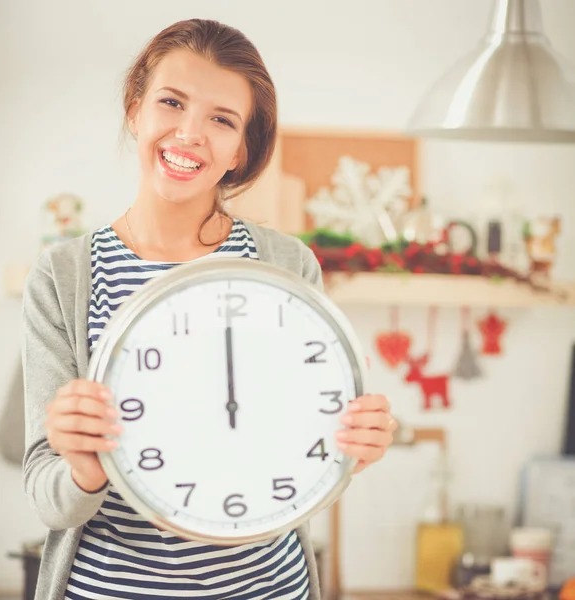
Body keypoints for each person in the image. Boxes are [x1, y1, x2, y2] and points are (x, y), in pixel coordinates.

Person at [22, 18, 398, 600]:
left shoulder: (287, 266)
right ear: (135, 110)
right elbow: (47, 494)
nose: (190, 133)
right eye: (171, 102)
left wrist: (350, 449)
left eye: (221, 119)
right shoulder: (64, 274)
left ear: (241, 148)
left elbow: (303, 458)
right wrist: (83, 465)